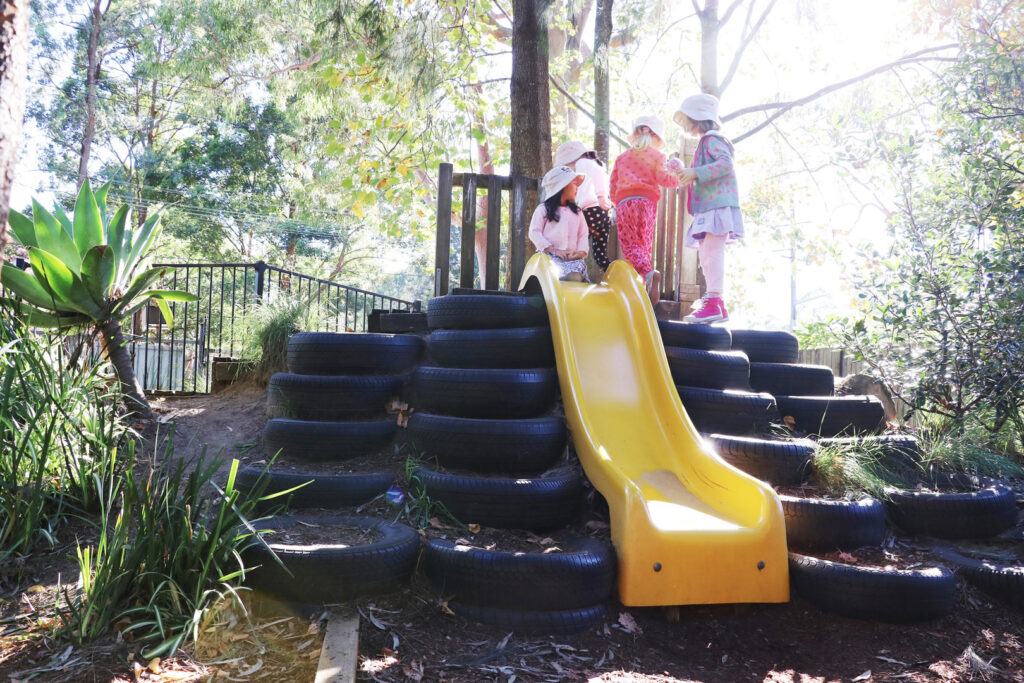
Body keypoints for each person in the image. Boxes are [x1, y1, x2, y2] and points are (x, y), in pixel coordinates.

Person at [670, 93, 743, 324]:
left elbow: (725, 165)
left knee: (711, 253)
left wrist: (695, 172)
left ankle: (714, 300)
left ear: (697, 118)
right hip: (709, 207)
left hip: (716, 206)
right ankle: (716, 303)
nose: (685, 125)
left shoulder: (713, 139)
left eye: (687, 120)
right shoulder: (706, 142)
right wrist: (687, 172)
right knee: (706, 253)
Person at [609, 115, 680, 304]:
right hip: (648, 204)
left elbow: (613, 184)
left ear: (635, 135)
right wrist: (680, 177)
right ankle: (642, 284)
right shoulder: (658, 156)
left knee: (630, 245)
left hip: (626, 203)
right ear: (657, 138)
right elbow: (664, 179)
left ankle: (648, 274)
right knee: (643, 244)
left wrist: (617, 203)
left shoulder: (622, 158)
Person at [555, 141, 613, 271]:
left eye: (565, 165)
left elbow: (600, 176)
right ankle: (611, 270)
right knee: (600, 252)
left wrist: (601, 196)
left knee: (574, 244)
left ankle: (569, 270)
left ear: (572, 158)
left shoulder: (582, 163)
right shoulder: (587, 165)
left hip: (590, 211)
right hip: (602, 214)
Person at [529, 165, 590, 282]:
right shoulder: (543, 209)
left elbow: (583, 234)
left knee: (577, 270)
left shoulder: (577, 212)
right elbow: (534, 232)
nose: (577, 188)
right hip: (550, 256)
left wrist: (581, 252)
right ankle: (560, 281)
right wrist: (553, 250)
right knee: (553, 271)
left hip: (571, 259)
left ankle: (572, 280)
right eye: (574, 184)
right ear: (562, 187)